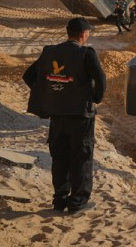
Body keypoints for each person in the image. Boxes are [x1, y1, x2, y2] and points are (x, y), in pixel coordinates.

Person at [22, 17, 106, 213]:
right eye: (88, 32)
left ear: (68, 33)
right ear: (84, 34)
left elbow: (28, 76)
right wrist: (95, 98)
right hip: (80, 116)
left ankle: (59, 201)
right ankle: (77, 202)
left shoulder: (50, 52)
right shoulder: (86, 54)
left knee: (60, 157)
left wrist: (49, 94)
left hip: (57, 115)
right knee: (81, 158)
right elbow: (101, 79)